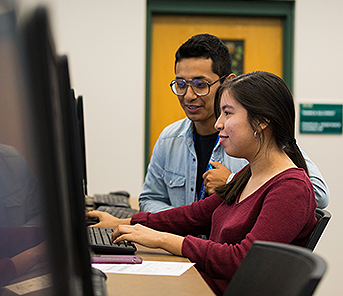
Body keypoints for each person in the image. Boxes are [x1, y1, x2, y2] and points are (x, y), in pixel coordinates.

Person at [87, 71, 317, 296]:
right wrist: (125, 222)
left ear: (262, 122)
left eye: (227, 113)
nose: (218, 124)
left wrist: (161, 239)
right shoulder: (248, 174)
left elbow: (241, 260)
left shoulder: (291, 188)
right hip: (202, 284)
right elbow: (195, 215)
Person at [139, 34, 329, 213]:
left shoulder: (256, 138)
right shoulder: (169, 139)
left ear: (227, 82)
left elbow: (319, 194)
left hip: (229, 245)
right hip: (182, 246)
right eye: (181, 84)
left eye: (200, 85)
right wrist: (182, 222)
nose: (188, 95)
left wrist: (233, 184)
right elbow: (149, 199)